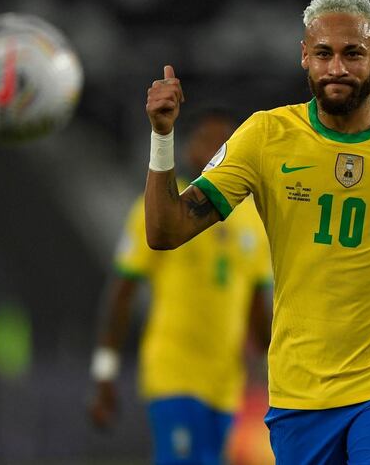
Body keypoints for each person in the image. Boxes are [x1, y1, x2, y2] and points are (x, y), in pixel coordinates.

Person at [142, 0, 370, 464]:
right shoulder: (265, 138)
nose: (338, 68)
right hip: (300, 389)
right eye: (324, 53)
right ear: (304, 56)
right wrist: (163, 137)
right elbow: (165, 232)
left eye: (354, 53)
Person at [87, 111, 273, 465]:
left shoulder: (255, 221)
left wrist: (275, 372)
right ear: (191, 150)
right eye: (210, 141)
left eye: (228, 143)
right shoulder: (160, 213)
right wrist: (105, 371)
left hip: (224, 384)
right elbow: (122, 292)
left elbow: (256, 312)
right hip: (173, 372)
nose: (220, 149)